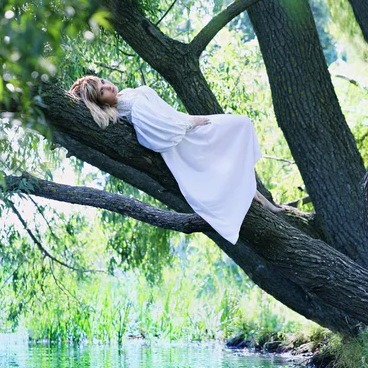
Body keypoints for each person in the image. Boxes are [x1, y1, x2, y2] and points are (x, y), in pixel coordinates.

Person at [69, 75, 282, 245]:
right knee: (235, 131)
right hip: (185, 140)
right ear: (100, 101)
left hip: (187, 128)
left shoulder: (126, 96)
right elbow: (160, 133)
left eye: (103, 81)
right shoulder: (129, 110)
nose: (108, 87)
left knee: (238, 129)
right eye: (102, 90)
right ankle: (253, 196)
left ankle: (254, 192)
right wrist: (192, 122)